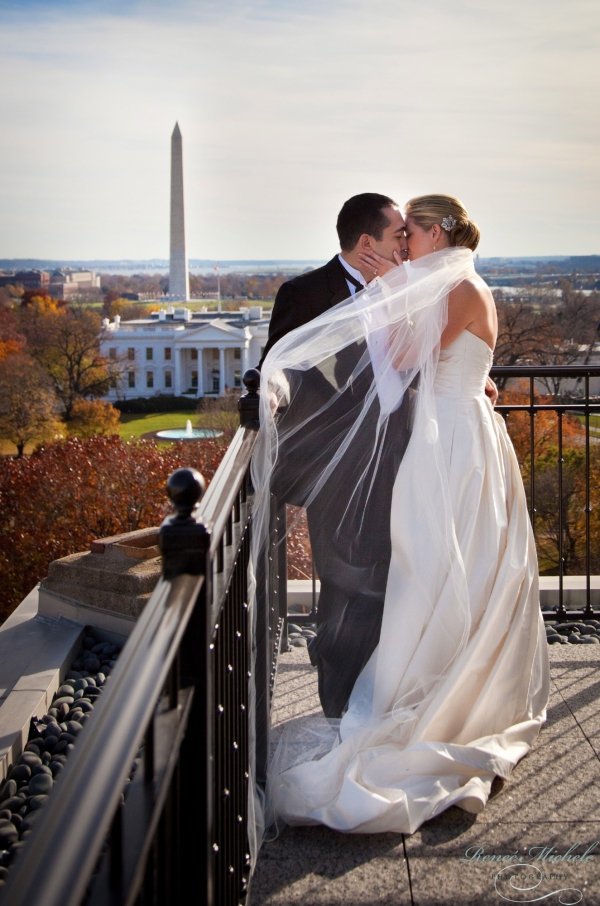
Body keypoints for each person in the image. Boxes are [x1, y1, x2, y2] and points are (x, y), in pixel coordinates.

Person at [252, 193, 549, 836]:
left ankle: (447, 692)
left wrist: (389, 296)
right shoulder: (431, 284)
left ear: (436, 231)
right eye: (399, 233)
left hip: (456, 445)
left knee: (449, 564)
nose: (404, 243)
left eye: (411, 231)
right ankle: (411, 682)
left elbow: (409, 359)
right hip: (437, 438)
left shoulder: (459, 285)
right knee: (433, 565)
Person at [258, 193, 410, 719]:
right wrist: (270, 391)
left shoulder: (405, 287)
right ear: (367, 243)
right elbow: (279, 362)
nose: (407, 247)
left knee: (396, 573)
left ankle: (386, 687)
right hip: (340, 465)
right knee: (346, 582)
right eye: (399, 237)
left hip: (406, 455)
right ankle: (340, 703)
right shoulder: (304, 292)